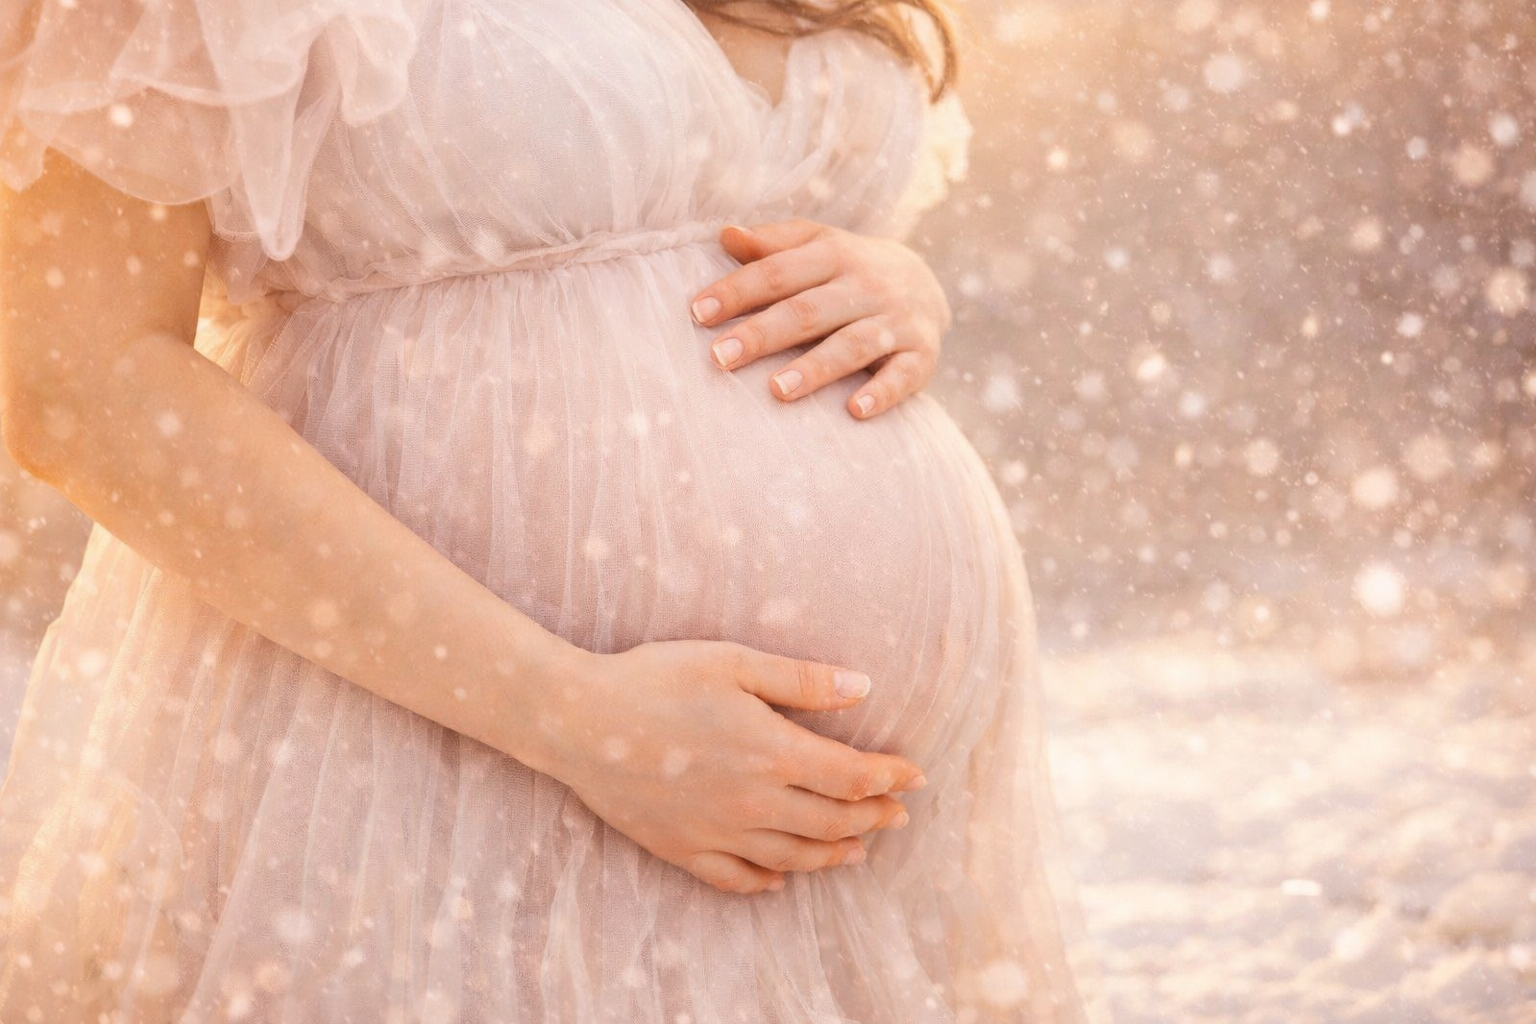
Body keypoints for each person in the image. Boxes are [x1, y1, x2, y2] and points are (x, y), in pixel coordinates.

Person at [0, 0, 1106, 1020]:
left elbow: (707, 223)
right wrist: (574, 717)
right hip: (435, 766)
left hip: (862, 859)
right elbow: (79, 385)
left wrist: (901, 282)